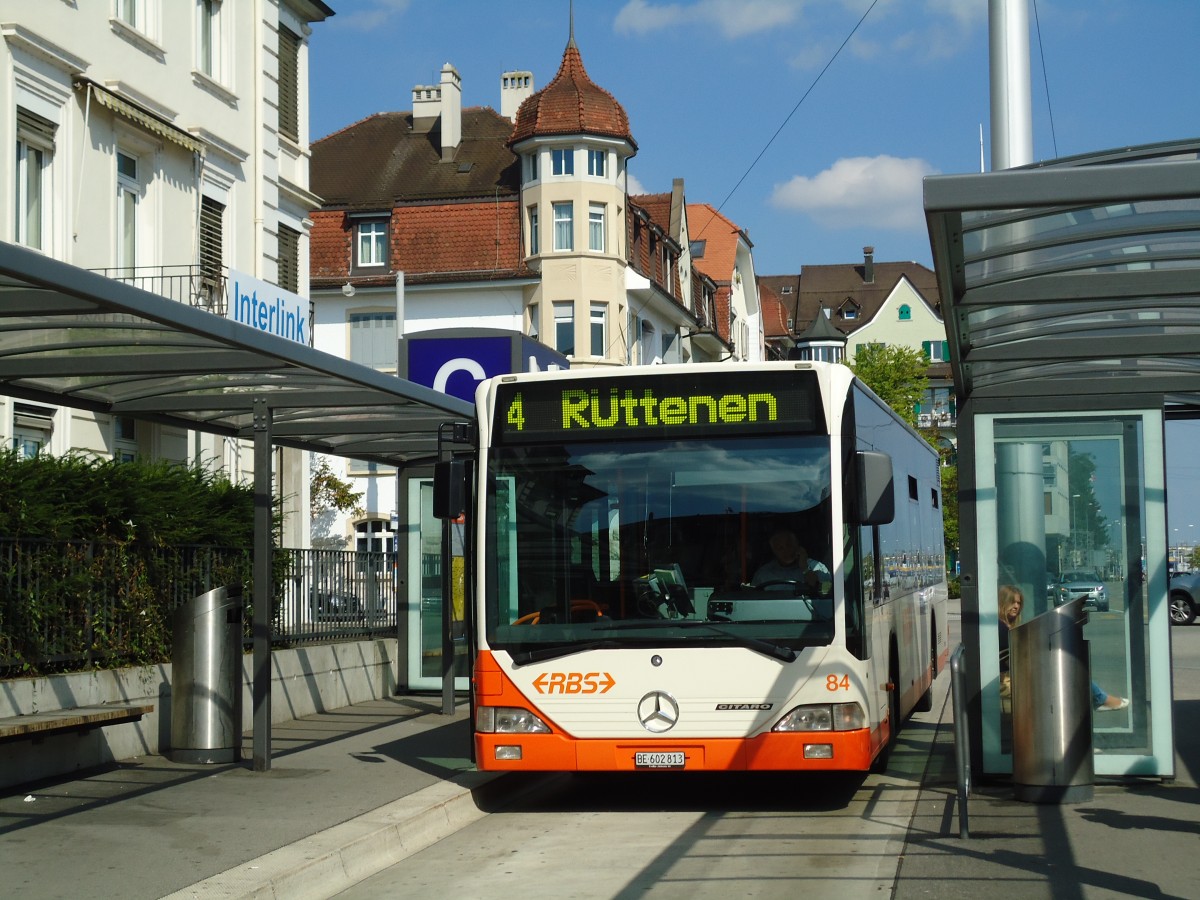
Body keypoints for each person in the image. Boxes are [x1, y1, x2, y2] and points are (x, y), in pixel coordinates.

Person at [997, 584, 1129, 712]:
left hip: (1015, 676)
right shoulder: (1001, 627)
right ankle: (1100, 699)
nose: (1016, 606)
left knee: (1066, 669)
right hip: (1008, 680)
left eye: (1019, 603)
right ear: (1002, 602)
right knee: (1067, 670)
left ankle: (1098, 699)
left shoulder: (1006, 627)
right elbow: (1015, 658)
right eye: (1012, 602)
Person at [751, 529, 831, 594]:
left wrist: (805, 568)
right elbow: (752, 599)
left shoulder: (817, 567)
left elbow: (827, 594)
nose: (786, 551)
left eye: (789, 545)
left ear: (797, 545)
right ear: (774, 551)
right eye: (780, 548)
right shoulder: (763, 574)